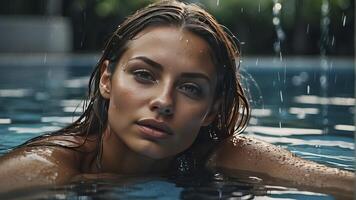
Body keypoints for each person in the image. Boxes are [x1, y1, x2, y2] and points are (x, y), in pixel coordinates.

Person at [0, 0, 353, 197]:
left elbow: (332, 181)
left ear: (212, 110)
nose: (164, 101)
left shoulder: (224, 155)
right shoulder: (45, 168)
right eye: (144, 75)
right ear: (107, 80)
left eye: (190, 88)